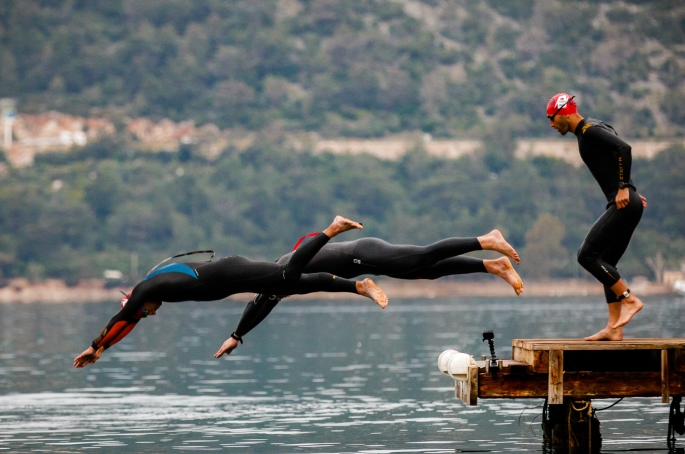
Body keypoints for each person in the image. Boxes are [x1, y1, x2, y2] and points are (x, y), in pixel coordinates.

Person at [73, 216, 388, 368]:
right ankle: (358, 286)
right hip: (233, 282)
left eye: (146, 310)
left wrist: (96, 345)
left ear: (137, 301)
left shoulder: (147, 288)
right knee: (292, 285)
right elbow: (129, 319)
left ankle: (331, 230)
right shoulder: (156, 291)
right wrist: (102, 349)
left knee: (287, 274)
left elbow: (125, 316)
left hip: (229, 271)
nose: (150, 313)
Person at [214, 229, 523, 358]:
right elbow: (258, 305)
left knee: (422, 257)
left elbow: (322, 279)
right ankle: (492, 266)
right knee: (425, 270)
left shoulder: (284, 271)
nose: (270, 298)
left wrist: (358, 289)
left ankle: (486, 240)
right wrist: (237, 336)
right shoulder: (274, 284)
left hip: (362, 254)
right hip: (366, 262)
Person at [547, 93, 647, 341]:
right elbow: (615, 157)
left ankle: (630, 299)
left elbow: (623, 147)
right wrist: (631, 190)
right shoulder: (592, 127)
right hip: (628, 202)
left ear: (565, 113)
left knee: (586, 255)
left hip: (623, 202)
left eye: (552, 118)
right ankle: (614, 328)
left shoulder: (589, 130)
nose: (551, 124)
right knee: (606, 263)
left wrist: (624, 187)